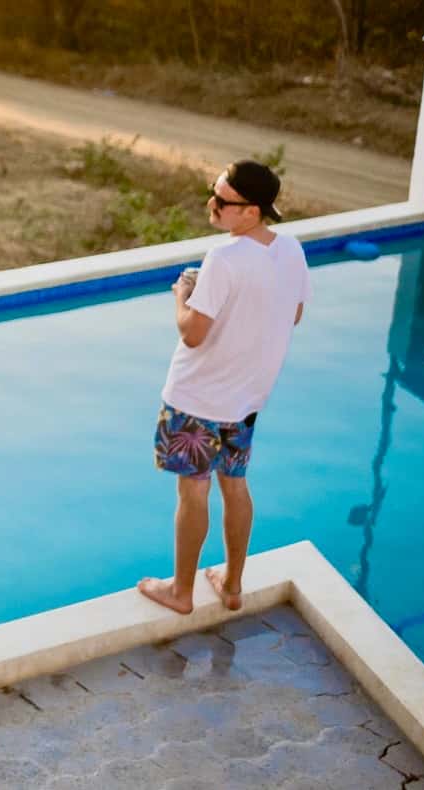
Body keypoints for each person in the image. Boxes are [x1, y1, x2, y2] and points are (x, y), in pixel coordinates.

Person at [138, 160, 310, 616]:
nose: (210, 205)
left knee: (193, 491)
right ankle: (232, 585)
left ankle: (181, 591)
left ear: (251, 211)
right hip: (247, 400)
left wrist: (183, 295)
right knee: (234, 485)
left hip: (196, 399)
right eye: (212, 193)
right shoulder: (291, 249)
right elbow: (292, 314)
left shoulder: (223, 260)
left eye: (221, 201)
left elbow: (192, 334)